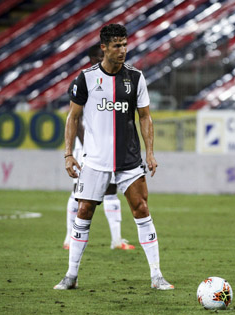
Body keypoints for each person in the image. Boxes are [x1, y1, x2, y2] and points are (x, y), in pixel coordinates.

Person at [54, 24, 174, 290]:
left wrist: (150, 152)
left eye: (125, 44)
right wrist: (68, 154)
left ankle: (156, 276)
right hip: (95, 160)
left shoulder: (136, 78)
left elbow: (145, 117)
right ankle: (71, 275)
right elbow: (73, 117)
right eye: (117, 45)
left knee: (141, 209)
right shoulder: (85, 79)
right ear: (104, 48)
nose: (123, 50)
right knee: (83, 212)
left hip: (129, 160)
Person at [63, 44, 135, 251]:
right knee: (79, 191)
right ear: (90, 58)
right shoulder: (82, 80)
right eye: (96, 56)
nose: (99, 58)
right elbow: (74, 118)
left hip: (108, 147)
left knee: (111, 190)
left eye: (101, 55)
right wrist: (88, 146)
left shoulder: (116, 80)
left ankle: (116, 240)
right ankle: (69, 238)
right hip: (85, 147)